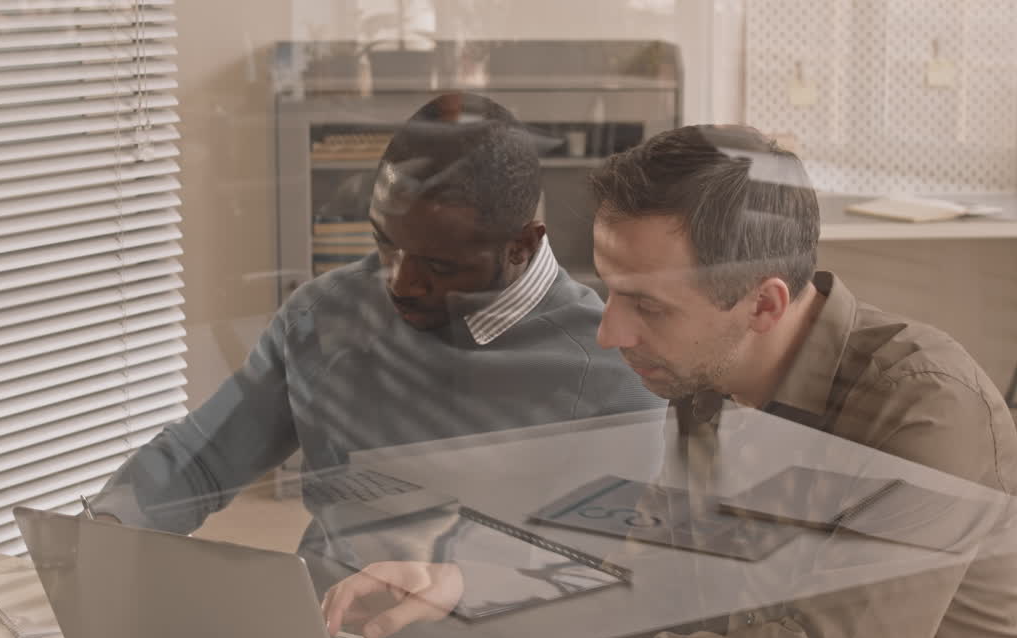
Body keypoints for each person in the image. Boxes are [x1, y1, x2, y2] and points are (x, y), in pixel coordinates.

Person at [322, 125, 1017, 638]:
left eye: (648, 306)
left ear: (764, 305)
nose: (609, 332)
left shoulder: (926, 409)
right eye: (610, 292)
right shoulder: (707, 381)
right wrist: (471, 583)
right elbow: (658, 579)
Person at [91, 93, 663, 548]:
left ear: (521, 246)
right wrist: (101, 539)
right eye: (386, 245)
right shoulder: (323, 313)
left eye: (438, 265)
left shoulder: (614, 367)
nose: (400, 283)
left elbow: (605, 577)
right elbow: (204, 462)